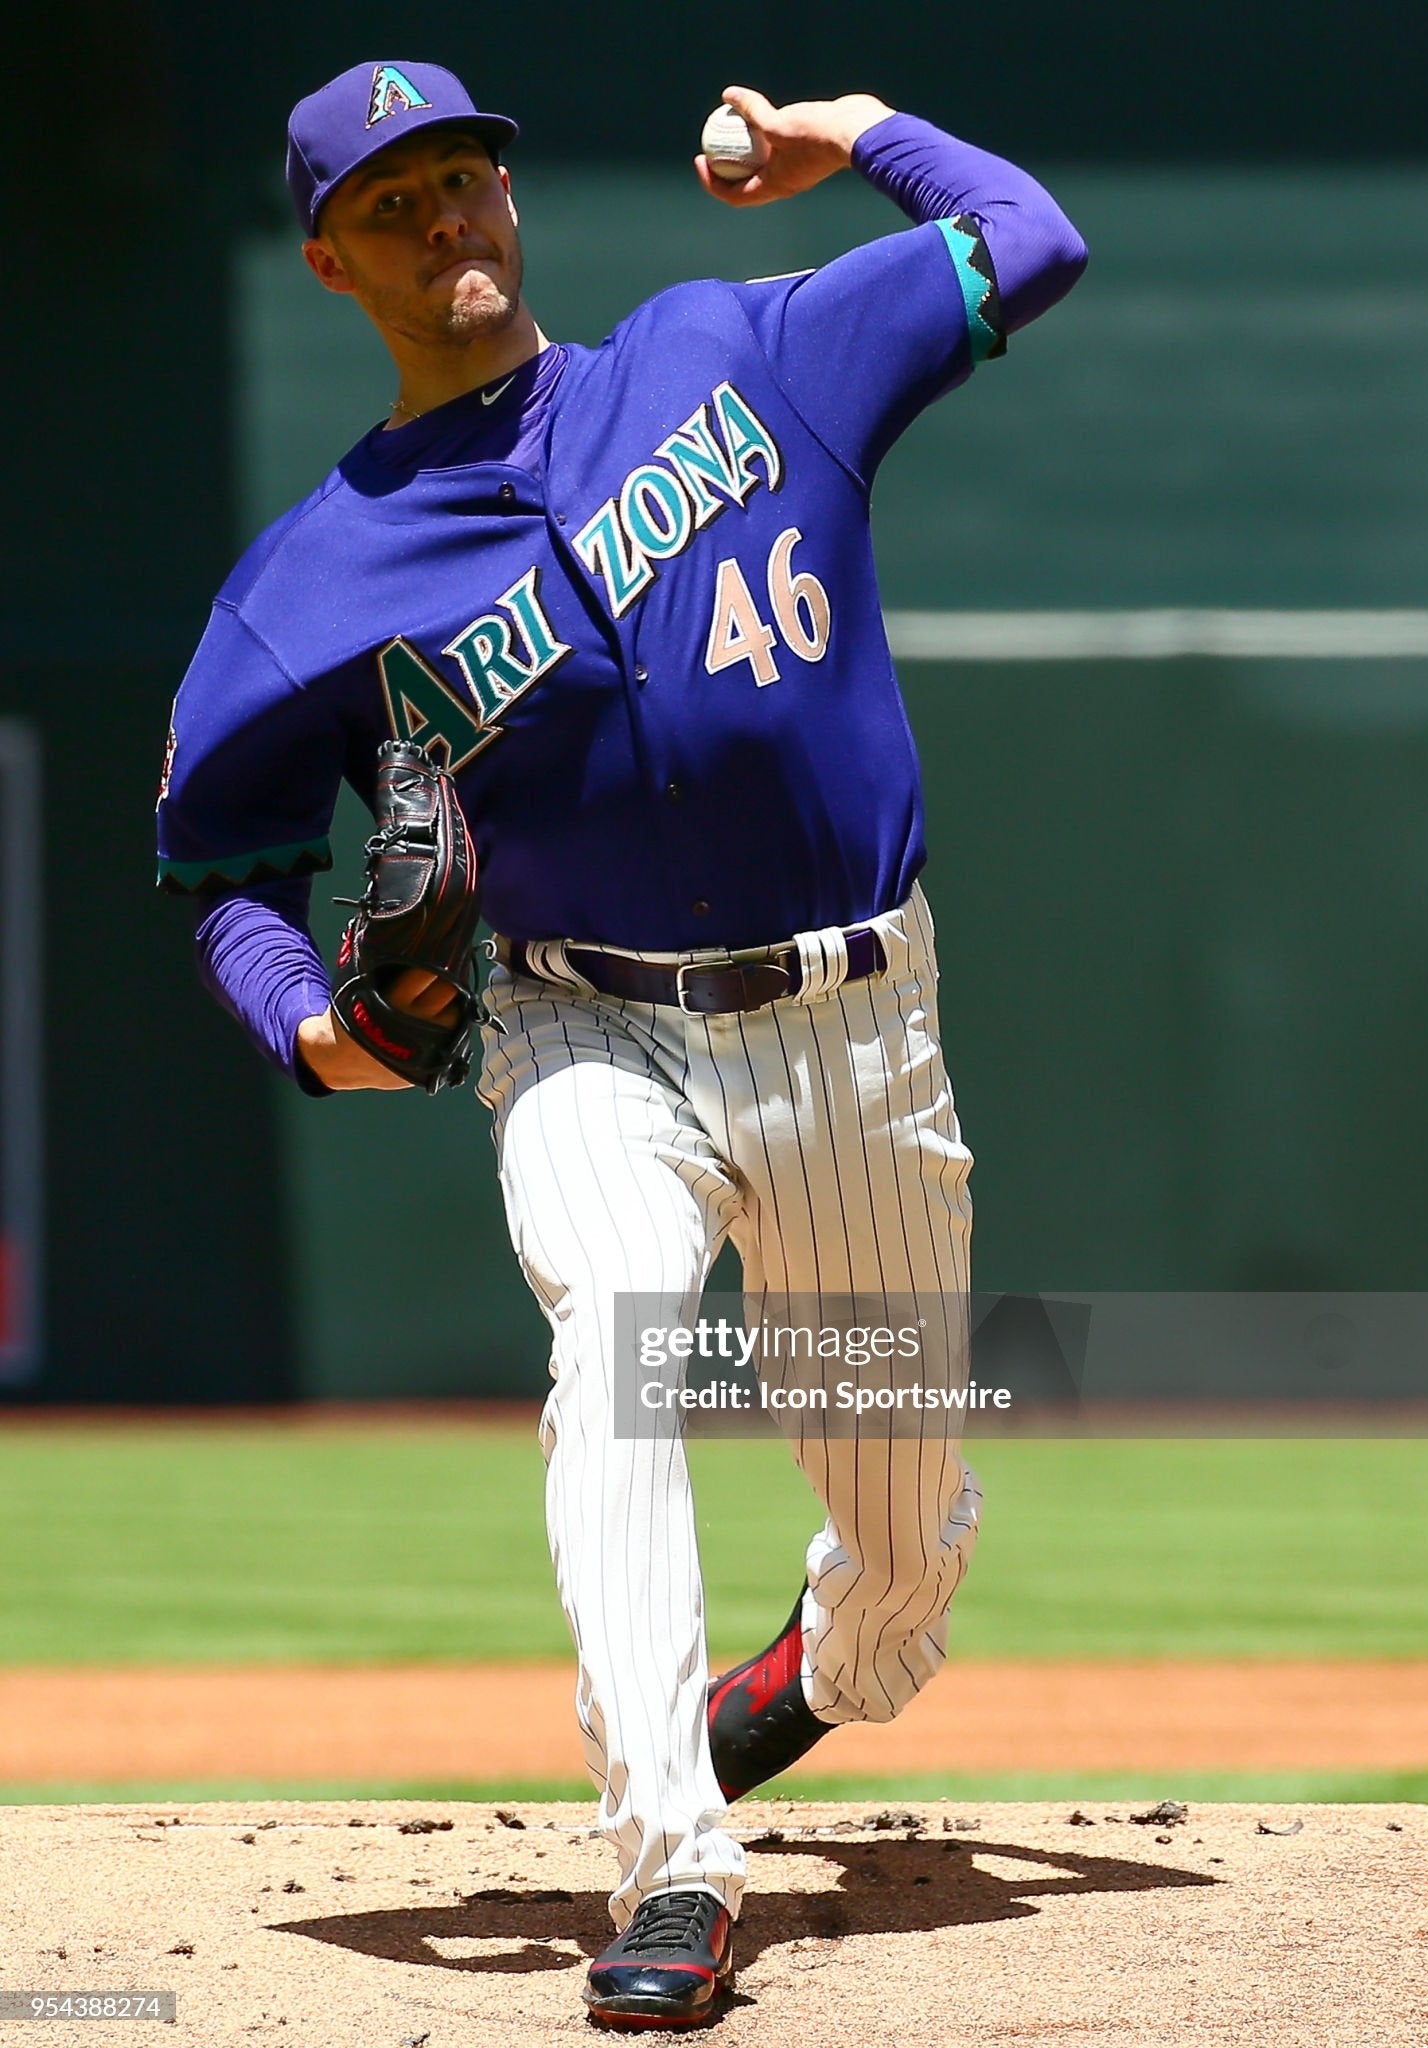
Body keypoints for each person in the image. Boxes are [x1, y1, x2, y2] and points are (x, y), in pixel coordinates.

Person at [157, 57, 1086, 2030]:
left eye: (463, 176)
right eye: (390, 205)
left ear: (510, 191)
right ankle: (670, 1854)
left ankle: (823, 1663)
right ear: (331, 259)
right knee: (620, 1339)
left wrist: (859, 138)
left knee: (905, 1582)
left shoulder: (742, 353)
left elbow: (1029, 237)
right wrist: (318, 1026)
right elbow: (225, 875)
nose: (444, 222)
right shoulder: (304, 589)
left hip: (855, 1032)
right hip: (578, 1025)